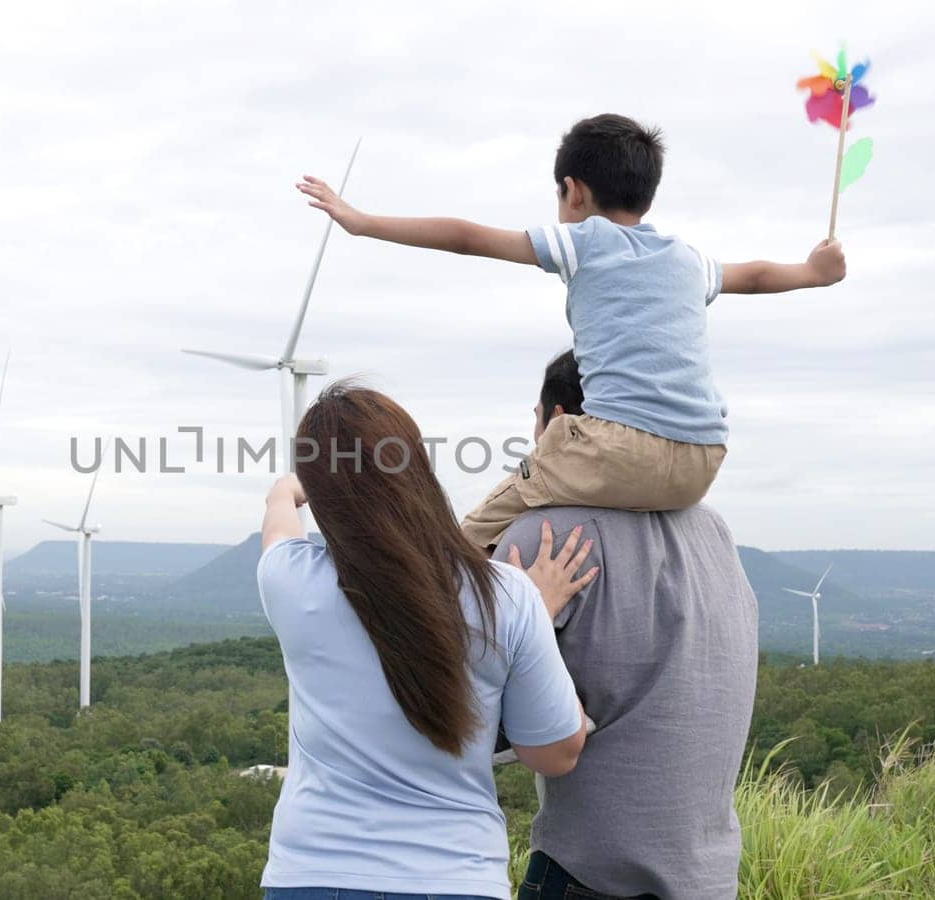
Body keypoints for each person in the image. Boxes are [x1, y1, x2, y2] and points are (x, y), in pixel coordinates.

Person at [297, 113, 848, 550]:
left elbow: (466, 236)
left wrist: (362, 221)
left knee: (473, 536)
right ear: (647, 195)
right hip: (703, 460)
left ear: (573, 191)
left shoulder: (586, 241)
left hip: (620, 453)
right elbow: (753, 276)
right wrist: (813, 274)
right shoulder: (687, 258)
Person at [257, 382, 599, 900]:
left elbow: (280, 530)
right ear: (416, 469)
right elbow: (555, 753)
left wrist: (285, 490)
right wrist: (537, 620)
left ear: (321, 491)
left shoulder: (289, 582)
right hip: (456, 877)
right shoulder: (507, 599)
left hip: (311, 875)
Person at [495, 352, 761, 900]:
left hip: (588, 876)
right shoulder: (715, 532)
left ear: (560, 422)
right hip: (709, 878)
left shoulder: (541, 538)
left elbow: (466, 712)